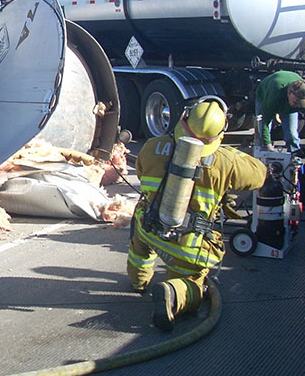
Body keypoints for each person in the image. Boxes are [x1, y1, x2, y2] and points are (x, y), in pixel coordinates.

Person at [127, 96, 267, 331]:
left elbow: (141, 173)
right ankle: (173, 292)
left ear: (184, 119)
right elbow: (259, 174)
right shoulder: (225, 161)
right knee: (191, 286)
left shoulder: (152, 146)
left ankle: (138, 281)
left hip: (148, 228)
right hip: (186, 245)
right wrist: (233, 153)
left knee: (139, 249)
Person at [255, 71, 305, 152]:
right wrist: (267, 144)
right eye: (296, 102)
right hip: (265, 94)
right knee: (262, 130)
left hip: (283, 100)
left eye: (301, 104)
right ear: (289, 93)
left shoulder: (299, 99)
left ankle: (294, 154)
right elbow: (265, 121)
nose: (298, 106)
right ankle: (263, 154)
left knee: (291, 134)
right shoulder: (275, 93)